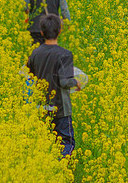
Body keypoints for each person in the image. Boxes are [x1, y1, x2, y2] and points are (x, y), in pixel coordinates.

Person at [26, 14, 82, 158]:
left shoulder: (35, 53)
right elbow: (64, 81)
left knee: (43, 142)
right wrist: (75, 82)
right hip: (61, 108)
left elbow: (29, 77)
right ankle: (61, 170)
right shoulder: (65, 54)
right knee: (66, 142)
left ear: (42, 32)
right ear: (60, 31)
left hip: (41, 107)